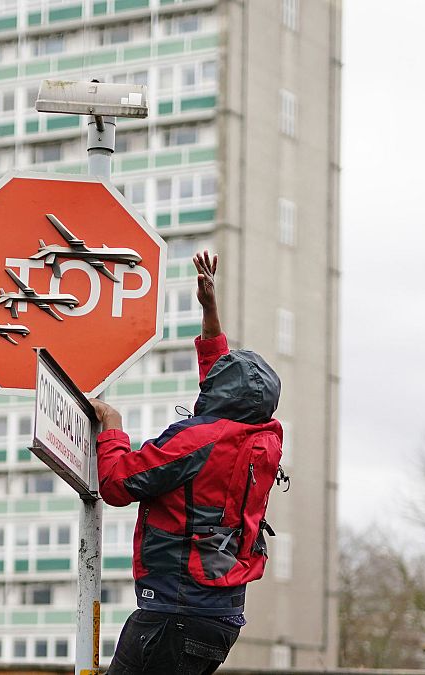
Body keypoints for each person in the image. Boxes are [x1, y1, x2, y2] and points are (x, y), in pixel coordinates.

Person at [90, 250, 283, 675]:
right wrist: (210, 312)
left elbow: (118, 483)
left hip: (173, 615)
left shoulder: (195, 440)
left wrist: (112, 426)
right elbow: (227, 388)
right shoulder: (261, 439)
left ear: (218, 395)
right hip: (220, 619)